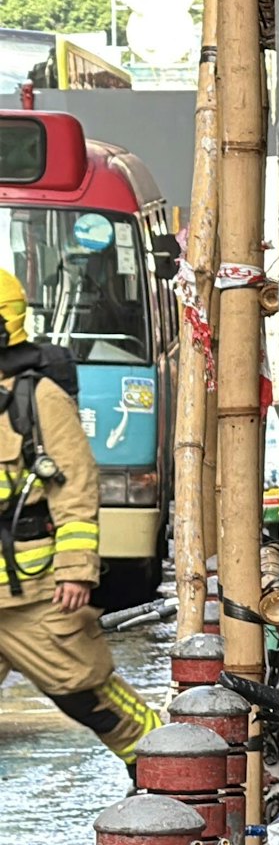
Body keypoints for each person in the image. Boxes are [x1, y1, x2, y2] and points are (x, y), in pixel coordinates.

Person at [0, 268, 160, 773]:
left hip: (31, 592)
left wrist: (74, 567)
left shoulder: (37, 398)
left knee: (88, 696)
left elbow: (74, 488)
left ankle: (166, 766)